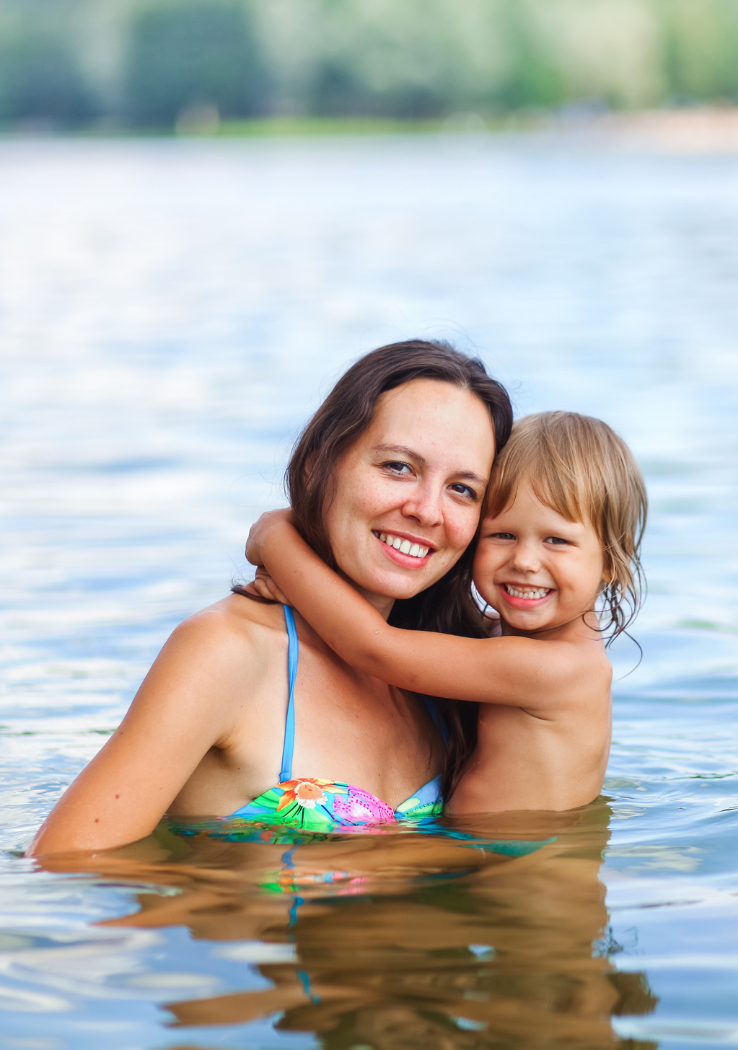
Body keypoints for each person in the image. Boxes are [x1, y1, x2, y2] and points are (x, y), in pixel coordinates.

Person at [28, 340, 512, 856]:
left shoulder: (453, 671)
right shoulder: (226, 651)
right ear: (316, 467)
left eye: (463, 489)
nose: (427, 510)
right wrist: (214, 889)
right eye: (398, 466)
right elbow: (67, 861)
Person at [244, 411, 647, 814]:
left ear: (612, 558)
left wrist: (276, 542)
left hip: (511, 856)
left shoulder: (557, 667)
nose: (524, 561)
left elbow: (375, 648)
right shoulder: (517, 639)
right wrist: (311, 593)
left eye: (556, 540)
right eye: (503, 534)